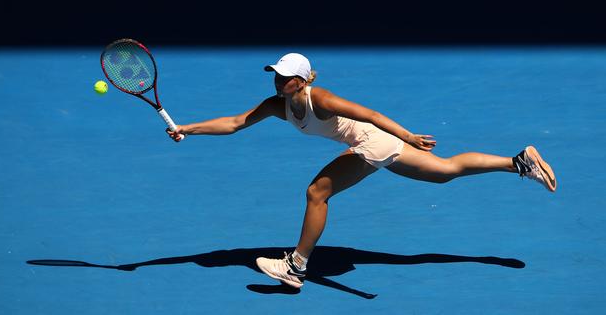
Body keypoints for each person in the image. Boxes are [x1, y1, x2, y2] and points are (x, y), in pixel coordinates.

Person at [166, 53, 556, 288]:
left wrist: (408, 136)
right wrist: (188, 128)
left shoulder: (321, 98)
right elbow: (235, 122)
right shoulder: (275, 105)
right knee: (445, 172)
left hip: (375, 141)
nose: (277, 79)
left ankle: (295, 266)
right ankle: (519, 162)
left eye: (284, 76)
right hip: (371, 144)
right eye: (275, 74)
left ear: (302, 80)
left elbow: (369, 114)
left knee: (317, 192)